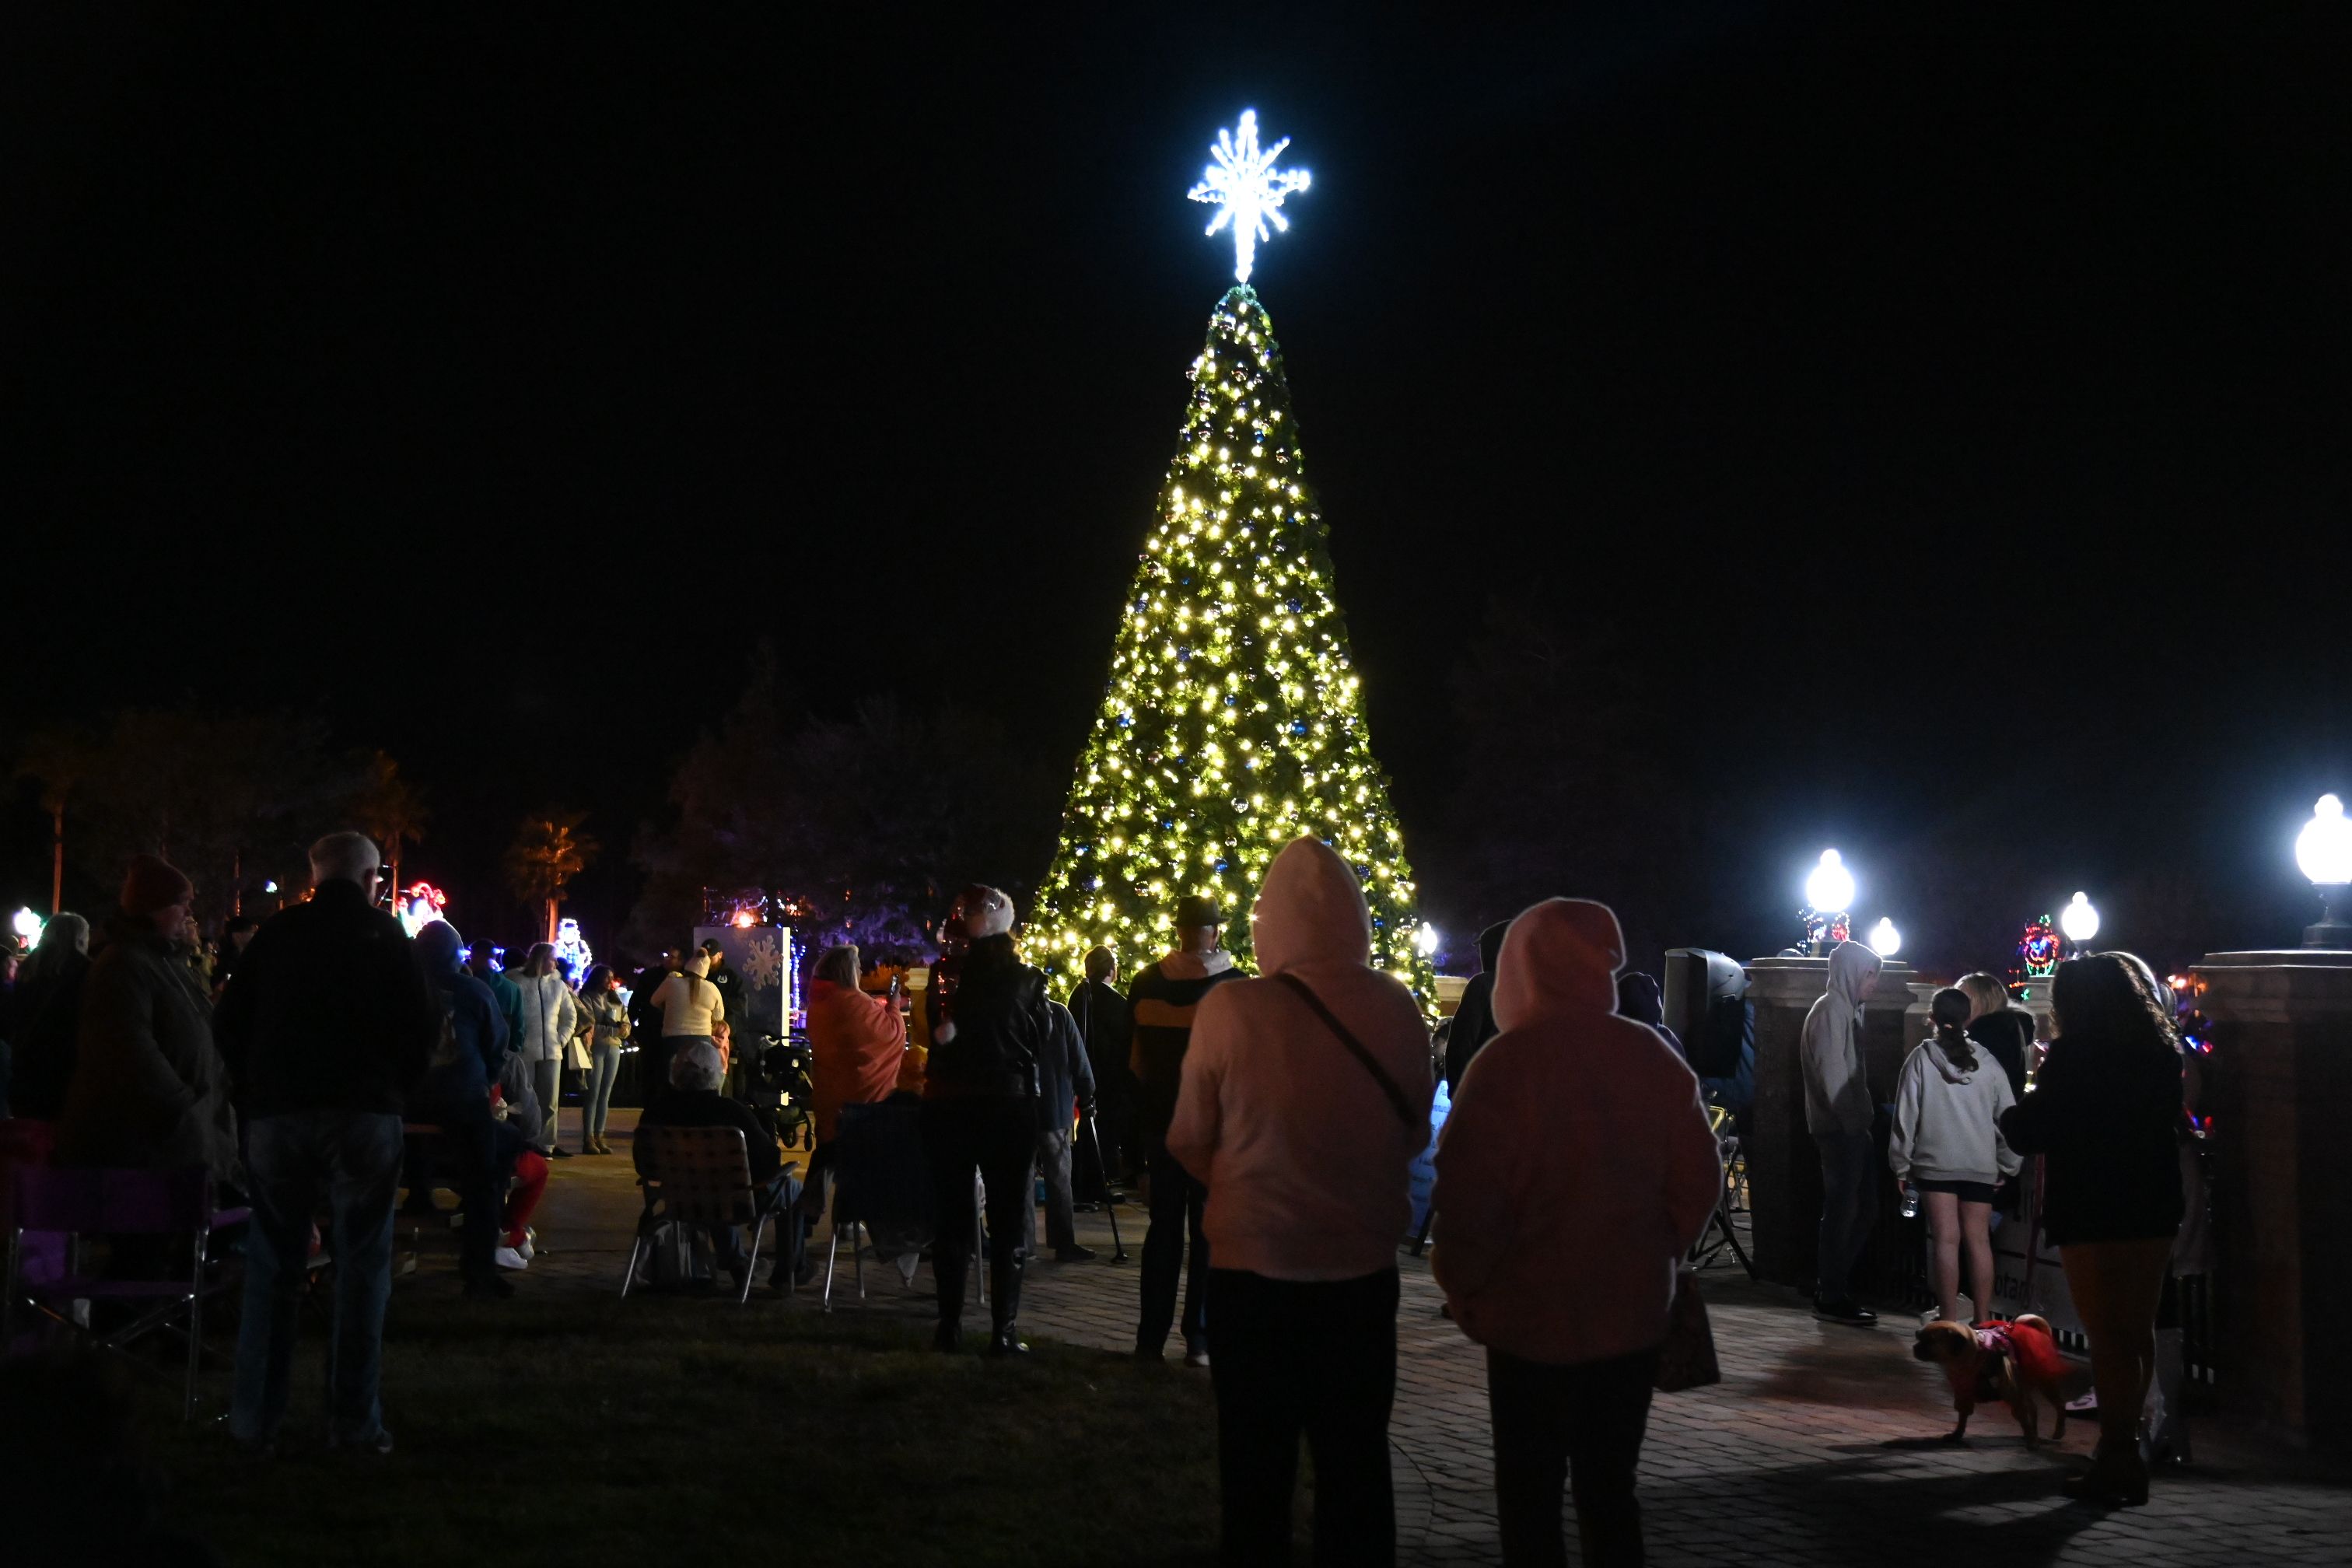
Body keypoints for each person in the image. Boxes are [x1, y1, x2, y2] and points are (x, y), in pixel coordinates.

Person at [1166, 837, 1433, 1567]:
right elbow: (1414, 1129)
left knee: (1256, 1468)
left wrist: (1247, 1182)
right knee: (1356, 1462)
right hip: (1361, 1274)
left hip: (1255, 1273)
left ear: (1270, 922)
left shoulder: (1232, 1008)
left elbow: (1189, 1136)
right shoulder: (1396, 1005)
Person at [1433, 899, 1721, 1568]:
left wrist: (1465, 1286)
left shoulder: (1505, 1065)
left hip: (1525, 1316)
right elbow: (1698, 1177)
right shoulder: (1651, 1058)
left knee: (1528, 1494)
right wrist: (1661, 1249)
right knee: (1610, 1489)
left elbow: (1470, 1198)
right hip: (1630, 1313)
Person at [215, 831, 436, 1458]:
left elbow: (229, 1021)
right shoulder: (385, 936)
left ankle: (255, 1421)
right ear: (370, 879)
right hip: (364, 1112)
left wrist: (254, 1088)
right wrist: (394, 1089)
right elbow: (421, 1027)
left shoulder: (277, 935)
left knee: (273, 1266)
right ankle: (352, 1422)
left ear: (315, 875)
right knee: (361, 1268)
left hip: (279, 1113)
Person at [2000, 951, 2185, 1507]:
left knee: (2106, 1332)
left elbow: (2032, 1131)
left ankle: (2118, 1454)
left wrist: (2013, 1110)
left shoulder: (2074, 1056)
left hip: (2092, 1203)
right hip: (2152, 1201)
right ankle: (2129, 1445)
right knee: (2137, 1329)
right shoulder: (2160, 1053)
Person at [56, 856, 241, 1190]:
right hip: (149, 1148)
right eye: (181, 903)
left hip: (178, 1141)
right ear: (153, 908)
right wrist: (185, 1108)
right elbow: (129, 1049)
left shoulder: (166, 962)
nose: (188, 912)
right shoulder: (123, 965)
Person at [920, 885, 1052, 1354]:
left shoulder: (942, 978)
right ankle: (1003, 1331)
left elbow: (931, 1035)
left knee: (952, 1216)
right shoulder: (1028, 980)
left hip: (949, 1104)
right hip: (1008, 1105)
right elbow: (1039, 1040)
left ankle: (949, 1326)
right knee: (1008, 1215)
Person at [1128, 892, 1241, 1367]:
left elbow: (1135, 1064)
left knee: (1163, 1232)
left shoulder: (1147, 982)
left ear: (1178, 931)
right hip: (1214, 1130)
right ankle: (1199, 1337)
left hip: (1163, 1123)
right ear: (1215, 933)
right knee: (1208, 1235)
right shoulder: (1234, 987)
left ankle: (1150, 1339)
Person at [1889, 987, 2021, 1326]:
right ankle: (1983, 1320)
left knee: (1946, 1242)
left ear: (1931, 1018)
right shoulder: (1988, 1062)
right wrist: (2008, 1164)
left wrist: (1901, 1165)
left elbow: (1905, 1116)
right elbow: (2008, 1117)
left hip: (1935, 1164)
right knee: (1979, 1242)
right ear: (1969, 1018)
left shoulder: (1920, 1060)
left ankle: (1948, 1320)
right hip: (1979, 1164)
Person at [635, 1038, 808, 1292]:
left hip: (679, 1200)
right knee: (792, 1190)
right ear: (716, 1074)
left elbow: (643, 1164)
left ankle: (738, 1263)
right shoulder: (732, 1112)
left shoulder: (655, 1113)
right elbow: (769, 1163)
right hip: (733, 1200)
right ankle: (789, 1271)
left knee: (710, 1183)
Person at [410, 920, 520, 1296]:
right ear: (457, 956)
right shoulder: (474, 991)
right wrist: (484, 1078)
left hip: (405, 1100)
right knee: (486, 1178)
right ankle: (479, 1268)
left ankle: (420, 1191)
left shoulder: (399, 988)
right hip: (462, 1099)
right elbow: (497, 1043)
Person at [1801, 938, 1884, 1327]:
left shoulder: (1846, 1010)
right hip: (1840, 1131)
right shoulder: (1831, 1011)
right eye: (1870, 975)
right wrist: (1853, 1123)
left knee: (1859, 1210)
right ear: (1852, 974)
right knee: (1845, 1211)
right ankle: (1831, 1292)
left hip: (1849, 1128)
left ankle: (1830, 1283)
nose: (1874, 983)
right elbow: (1833, 1075)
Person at [801, 944, 905, 1215]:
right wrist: (894, 1005)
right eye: (857, 967)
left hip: (829, 1103)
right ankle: (852, 1214)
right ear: (848, 970)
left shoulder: (819, 1003)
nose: (861, 971)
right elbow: (891, 1035)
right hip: (861, 1108)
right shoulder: (855, 1004)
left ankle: (811, 1213)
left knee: (829, 1150)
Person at [8, 911, 92, 1120]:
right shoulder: (85, 970)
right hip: (65, 1064)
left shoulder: (28, 968)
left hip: (26, 1058)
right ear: (80, 938)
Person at [1035, 995, 1097, 1262]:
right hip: (1054, 1105)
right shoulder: (1059, 1014)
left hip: (1020, 1108)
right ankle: (1063, 1242)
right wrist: (1087, 1094)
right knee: (1059, 1177)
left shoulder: (1011, 1010)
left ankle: (1021, 1243)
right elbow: (1079, 1059)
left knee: (1022, 1179)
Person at [1067, 946, 1133, 1196]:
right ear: (1112, 970)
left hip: (1084, 1073)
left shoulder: (1079, 994)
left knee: (1084, 1130)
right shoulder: (1116, 1002)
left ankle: (1083, 1182)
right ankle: (1098, 1183)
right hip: (1110, 1077)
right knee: (1106, 1131)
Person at [511, 943, 579, 1157]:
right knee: (524, 1099)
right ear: (541, 959)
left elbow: (570, 1016)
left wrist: (560, 1039)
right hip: (525, 1051)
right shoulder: (517, 982)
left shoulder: (558, 986)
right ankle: (525, 1142)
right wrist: (517, 1042)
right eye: (553, 959)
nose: (556, 964)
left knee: (549, 1101)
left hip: (551, 1051)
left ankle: (546, 1144)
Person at [648, 947, 725, 1104]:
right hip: (702, 1040)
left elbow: (654, 1001)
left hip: (673, 1039)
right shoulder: (712, 988)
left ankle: (671, 1114)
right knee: (701, 1083)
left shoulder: (672, 983)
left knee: (671, 1083)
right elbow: (719, 1016)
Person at [1442, 920, 1511, 1092]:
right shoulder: (1531, 989)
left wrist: (1459, 1094)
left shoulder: (1483, 985)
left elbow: (1460, 1047)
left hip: (1482, 1093)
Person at [1958, 971, 2035, 1101]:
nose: (1957, 1006)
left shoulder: (1985, 1034)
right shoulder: (2010, 1030)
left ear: (1982, 1002)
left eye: (1963, 1000)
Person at [579, 964, 629, 1154]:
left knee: (605, 1094)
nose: (610, 981)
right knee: (593, 1092)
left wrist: (624, 1029)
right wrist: (614, 1030)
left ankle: (600, 1135)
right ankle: (588, 1137)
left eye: (612, 977)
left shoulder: (615, 1000)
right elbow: (589, 1026)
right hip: (596, 1047)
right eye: (607, 977)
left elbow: (626, 1022)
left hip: (613, 1048)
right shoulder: (587, 998)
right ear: (597, 978)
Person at [466, 941, 527, 1066]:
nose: (470, 962)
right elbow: (518, 1025)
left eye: (471, 957)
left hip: (472, 1055)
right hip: (503, 1055)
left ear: (479, 957)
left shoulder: (468, 985)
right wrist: (514, 1051)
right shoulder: (513, 988)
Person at [212, 914, 260, 999]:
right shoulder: (230, 964)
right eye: (253, 932)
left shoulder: (249, 960)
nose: (257, 936)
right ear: (237, 936)